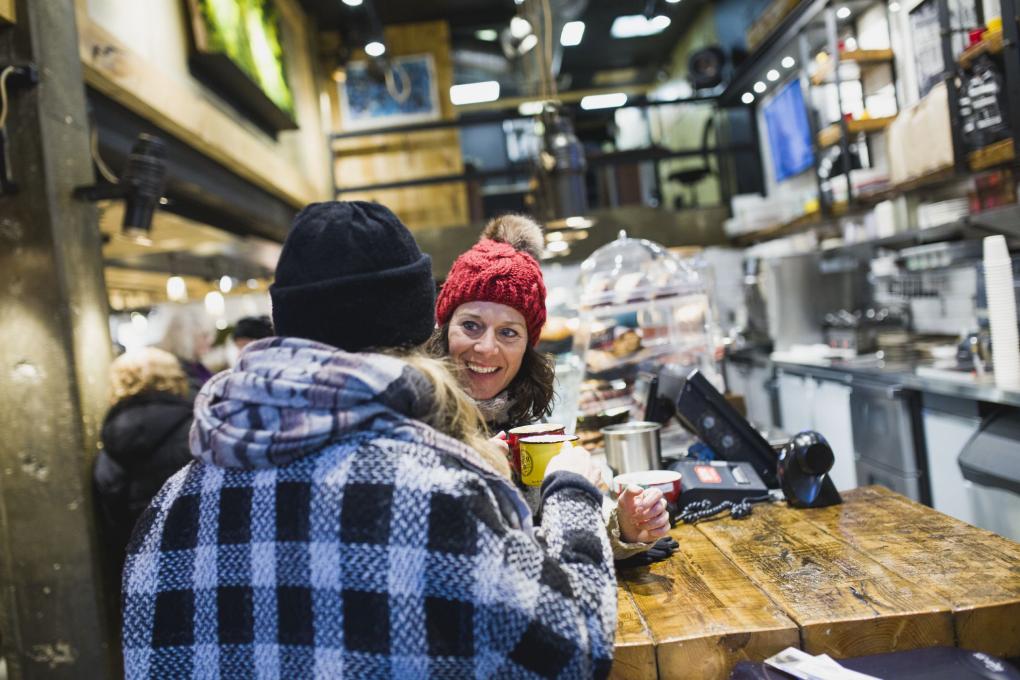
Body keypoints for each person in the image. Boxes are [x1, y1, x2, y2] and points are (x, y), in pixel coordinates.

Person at [121, 201, 617, 678]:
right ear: (420, 333)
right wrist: (572, 493)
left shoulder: (166, 511)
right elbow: (574, 650)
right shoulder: (438, 494)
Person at [430, 214, 672, 558]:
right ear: (444, 327)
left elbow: (553, 520)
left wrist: (624, 527)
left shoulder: (525, 424)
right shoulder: (416, 423)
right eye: (471, 325)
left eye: (508, 332)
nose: (486, 348)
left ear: (528, 347)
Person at [93, 347, 194, 577]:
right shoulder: (196, 431)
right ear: (175, 378)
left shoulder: (108, 444)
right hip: (197, 552)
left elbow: (112, 511)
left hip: (142, 566)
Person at [154, 306, 213, 396]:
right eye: (203, 336)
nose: (209, 341)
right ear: (185, 338)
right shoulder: (177, 372)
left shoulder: (197, 366)